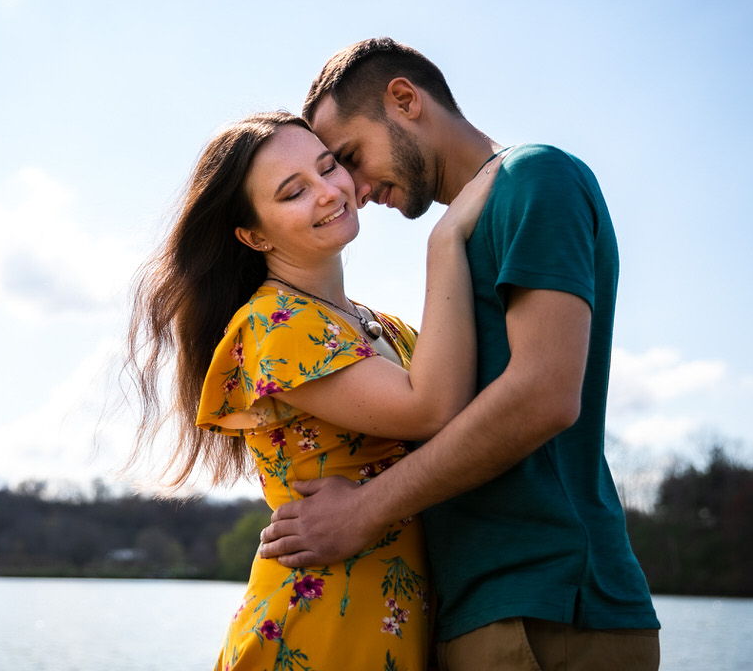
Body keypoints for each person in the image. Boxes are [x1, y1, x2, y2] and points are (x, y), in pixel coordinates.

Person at [258, 38, 661, 670]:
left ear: (404, 99)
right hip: (485, 611)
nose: (353, 189)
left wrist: (365, 510)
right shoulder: (467, 232)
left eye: (350, 158)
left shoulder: (534, 178)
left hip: (546, 607)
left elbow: (544, 394)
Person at [123, 110, 501, 670]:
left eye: (329, 168)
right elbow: (432, 408)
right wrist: (445, 241)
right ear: (254, 235)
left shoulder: (386, 329)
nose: (328, 192)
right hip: (318, 629)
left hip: (401, 624)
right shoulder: (273, 325)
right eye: (294, 191)